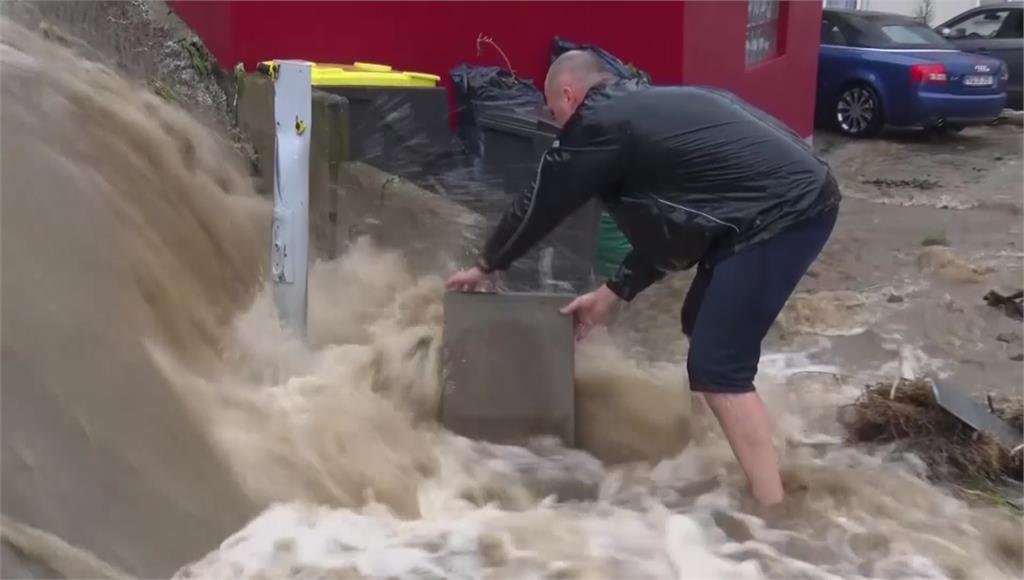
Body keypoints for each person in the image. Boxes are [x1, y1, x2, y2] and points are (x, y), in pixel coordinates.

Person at [446, 50, 841, 507]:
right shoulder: (638, 114)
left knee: (718, 367)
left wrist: (488, 263)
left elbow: (540, 204)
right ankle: (710, 445)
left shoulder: (597, 124)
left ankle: (772, 512)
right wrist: (611, 293)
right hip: (770, 205)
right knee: (699, 323)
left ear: (570, 95)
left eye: (554, 112)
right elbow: (677, 234)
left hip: (786, 211)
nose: (556, 124)